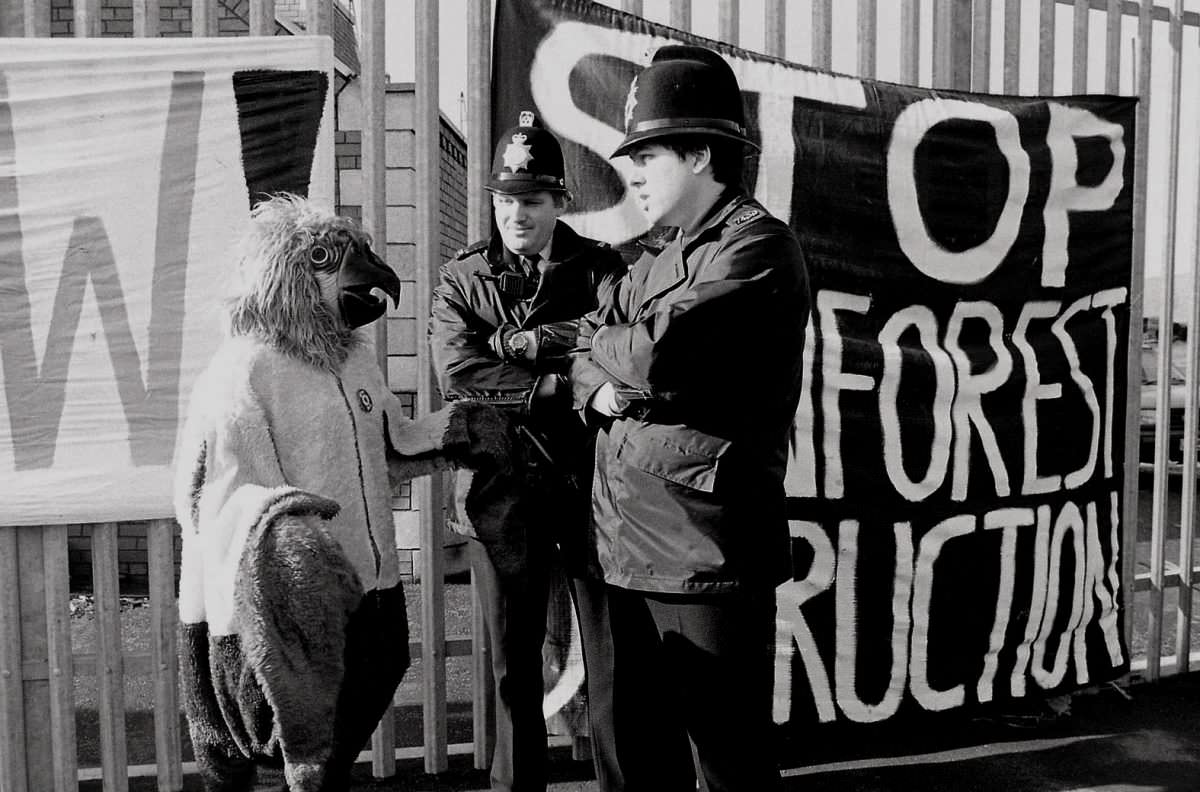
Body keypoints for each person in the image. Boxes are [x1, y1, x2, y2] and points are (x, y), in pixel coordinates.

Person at [568, 45, 810, 791]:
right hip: (620, 545)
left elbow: (657, 356)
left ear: (702, 154)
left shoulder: (756, 247)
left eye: (649, 153)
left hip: (702, 558)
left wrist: (612, 365)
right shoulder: (654, 260)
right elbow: (585, 347)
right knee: (636, 760)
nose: (631, 171)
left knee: (729, 763)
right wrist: (602, 381)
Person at [429, 112, 626, 792]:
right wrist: (554, 380)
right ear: (492, 201)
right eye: (506, 199)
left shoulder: (599, 266)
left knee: (610, 665)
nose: (517, 212)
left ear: (559, 202)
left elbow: (615, 343)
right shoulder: (462, 278)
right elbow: (458, 371)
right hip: (499, 494)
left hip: (588, 484)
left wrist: (518, 343)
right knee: (514, 669)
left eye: (532, 200)